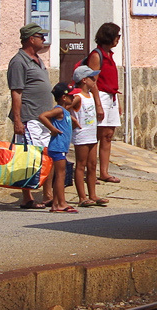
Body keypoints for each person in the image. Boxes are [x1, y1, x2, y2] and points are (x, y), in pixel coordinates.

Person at [8, 24, 54, 209]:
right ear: (30, 38)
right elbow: (16, 93)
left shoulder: (37, 59)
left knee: (47, 156)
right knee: (30, 158)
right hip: (29, 117)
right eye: (40, 36)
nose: (43, 39)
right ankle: (27, 196)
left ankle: (48, 194)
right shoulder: (19, 62)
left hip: (43, 117)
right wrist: (18, 120)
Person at [85, 22, 123, 183]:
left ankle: (104, 172)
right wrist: (98, 104)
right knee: (96, 136)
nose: (118, 39)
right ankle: (90, 172)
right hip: (100, 96)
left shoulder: (110, 55)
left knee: (108, 135)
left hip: (111, 96)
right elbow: (92, 81)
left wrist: (118, 102)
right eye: (117, 36)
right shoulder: (96, 55)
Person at [69, 64, 107, 207]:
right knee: (81, 165)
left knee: (92, 165)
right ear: (84, 80)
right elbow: (66, 108)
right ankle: (82, 197)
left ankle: (93, 194)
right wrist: (71, 118)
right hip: (82, 135)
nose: (94, 80)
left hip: (92, 134)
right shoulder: (78, 97)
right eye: (91, 78)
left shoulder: (90, 95)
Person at [38, 85, 79, 213]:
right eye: (70, 96)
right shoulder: (59, 110)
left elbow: (68, 115)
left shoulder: (65, 111)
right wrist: (52, 129)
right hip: (57, 147)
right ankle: (61, 202)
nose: (73, 97)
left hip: (61, 147)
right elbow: (43, 116)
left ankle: (56, 203)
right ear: (63, 97)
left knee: (61, 174)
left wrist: (74, 121)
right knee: (61, 175)